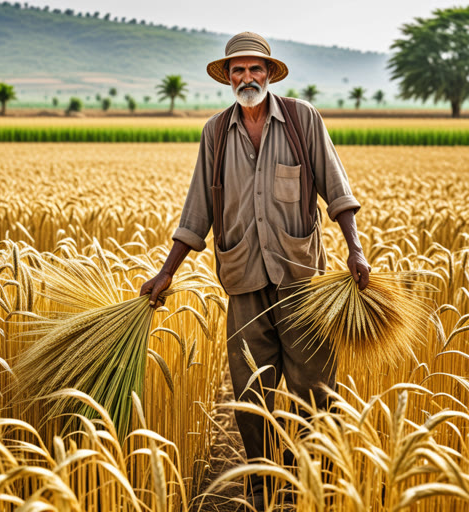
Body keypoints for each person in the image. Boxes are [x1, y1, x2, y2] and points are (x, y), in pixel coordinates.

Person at [141, 32, 371, 509]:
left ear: (270, 73)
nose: (247, 78)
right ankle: (264, 485)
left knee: (316, 390)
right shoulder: (214, 133)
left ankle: (318, 483)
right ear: (228, 77)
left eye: (255, 69)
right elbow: (197, 211)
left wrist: (356, 250)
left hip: (301, 281)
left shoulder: (302, 120)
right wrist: (166, 273)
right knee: (252, 393)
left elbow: (337, 189)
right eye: (238, 70)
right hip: (243, 280)